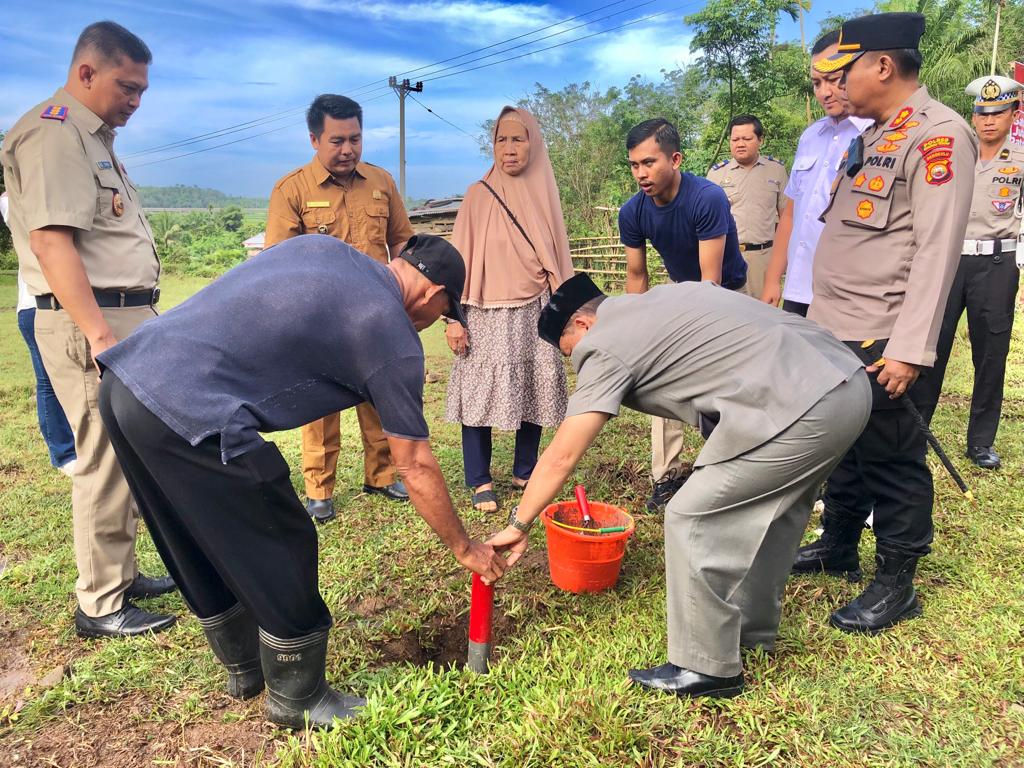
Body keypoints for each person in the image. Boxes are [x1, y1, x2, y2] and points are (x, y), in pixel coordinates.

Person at [96, 233, 508, 729]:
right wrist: (465, 548)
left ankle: (245, 670)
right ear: (433, 292)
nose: (432, 323)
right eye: (444, 312)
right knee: (282, 536)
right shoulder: (391, 330)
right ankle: (299, 697)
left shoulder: (328, 250)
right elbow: (415, 463)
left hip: (123, 383)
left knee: (195, 537)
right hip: (193, 407)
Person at [486, 273, 871, 699]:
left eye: (568, 353)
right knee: (779, 510)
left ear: (583, 325)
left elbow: (562, 454)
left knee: (691, 515)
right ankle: (750, 629)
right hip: (847, 385)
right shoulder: (663, 300)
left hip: (801, 405)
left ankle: (705, 666)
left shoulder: (603, 342)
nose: (576, 364)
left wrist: (519, 523)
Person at [792, 12, 976, 634]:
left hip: (884, 333)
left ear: (882, 66)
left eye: (844, 71)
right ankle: (839, 543)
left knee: (894, 455)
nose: (836, 85)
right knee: (844, 441)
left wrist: (909, 349)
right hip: (835, 323)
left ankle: (897, 579)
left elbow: (936, 250)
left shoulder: (939, 136)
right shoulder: (873, 133)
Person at [0, 21, 176, 639]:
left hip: (122, 314)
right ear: (86, 73)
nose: (135, 101)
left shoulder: (90, 136)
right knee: (102, 455)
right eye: (127, 87)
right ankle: (100, 601)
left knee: (126, 452)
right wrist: (100, 336)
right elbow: (52, 242)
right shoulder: (54, 134)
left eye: (141, 91)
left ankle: (121, 574)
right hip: (92, 322)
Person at [265, 94, 415, 524]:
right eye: (336, 140)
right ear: (314, 139)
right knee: (319, 406)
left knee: (377, 398)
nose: (348, 149)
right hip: (319, 321)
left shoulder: (382, 182)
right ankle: (319, 488)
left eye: (355, 138)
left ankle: (382, 475)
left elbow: (403, 242)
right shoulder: (291, 190)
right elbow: (280, 262)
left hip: (375, 315)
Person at [443, 106, 574, 513]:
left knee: (533, 383)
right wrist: (452, 318)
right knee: (480, 390)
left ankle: (524, 469)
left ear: (532, 145)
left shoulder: (544, 195)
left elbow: (558, 255)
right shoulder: (477, 195)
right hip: (483, 311)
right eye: (502, 140)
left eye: (518, 139)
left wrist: (568, 312)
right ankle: (479, 478)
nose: (509, 149)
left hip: (535, 306)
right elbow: (455, 262)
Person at [617, 118, 748, 511]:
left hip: (729, 295)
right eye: (634, 165)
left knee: (732, 387)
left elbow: (711, 284)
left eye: (649, 163)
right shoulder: (633, 212)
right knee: (661, 380)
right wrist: (636, 332)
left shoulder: (706, 198)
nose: (641, 173)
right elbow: (636, 277)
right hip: (682, 294)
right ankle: (667, 476)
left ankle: (735, 468)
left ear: (675, 159)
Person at [915, 75, 1024, 469]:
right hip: (948, 261)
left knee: (991, 353)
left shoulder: (1021, 158)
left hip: (997, 264)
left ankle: (980, 442)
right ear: (973, 116)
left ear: (1013, 114)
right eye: (982, 113)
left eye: (997, 112)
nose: (988, 121)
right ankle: (918, 434)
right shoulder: (953, 151)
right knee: (930, 346)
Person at [760, 32, 874, 316]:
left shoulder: (876, 134)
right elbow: (791, 212)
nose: (824, 92)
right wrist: (773, 280)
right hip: (799, 287)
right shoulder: (810, 137)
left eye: (834, 80)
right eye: (817, 83)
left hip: (848, 294)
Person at [1, 191, 77, 475]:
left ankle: (74, 446)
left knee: (68, 379)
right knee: (47, 380)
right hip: (36, 303)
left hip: (59, 303)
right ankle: (64, 452)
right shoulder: (13, 200)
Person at [706, 114, 788, 300]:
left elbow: (787, 217)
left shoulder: (776, 170)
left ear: (760, 140)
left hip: (763, 258)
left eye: (747, 138)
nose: (740, 144)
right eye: (735, 139)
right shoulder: (717, 174)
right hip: (727, 257)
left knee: (763, 316)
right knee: (726, 314)